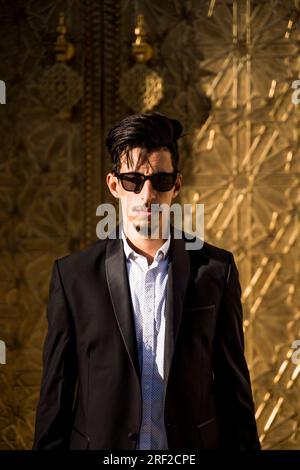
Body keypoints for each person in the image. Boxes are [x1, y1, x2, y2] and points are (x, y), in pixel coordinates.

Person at [33, 112, 260, 450]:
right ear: (114, 185)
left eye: (161, 181)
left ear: (177, 185)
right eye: (133, 181)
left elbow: (233, 390)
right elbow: (57, 394)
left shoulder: (216, 270)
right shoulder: (73, 277)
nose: (147, 194)